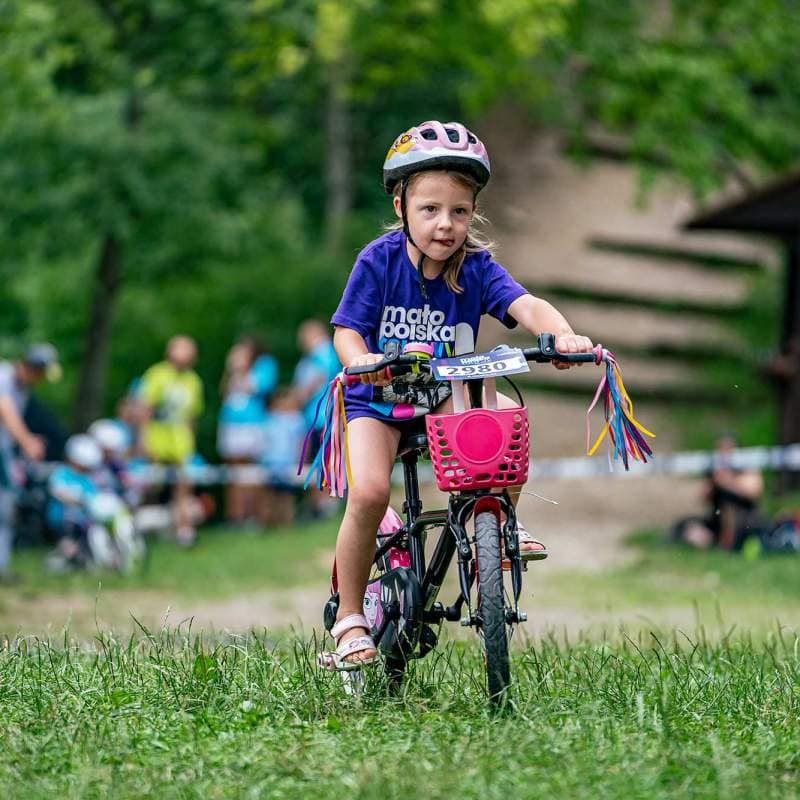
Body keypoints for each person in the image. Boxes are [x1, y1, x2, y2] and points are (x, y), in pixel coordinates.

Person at [317, 120, 594, 669]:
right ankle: (350, 618)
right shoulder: (378, 261)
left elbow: (526, 306)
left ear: (473, 214)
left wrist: (560, 332)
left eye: (459, 212)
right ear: (401, 206)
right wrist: (360, 361)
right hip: (379, 400)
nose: (446, 225)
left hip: (442, 399)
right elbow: (346, 330)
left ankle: (491, 532)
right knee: (370, 494)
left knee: (502, 412)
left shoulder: (477, 268)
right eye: (430, 210)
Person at [0, 344, 60, 581]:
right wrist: (27, 441)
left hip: (3, 453)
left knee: (6, 508)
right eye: (42, 375)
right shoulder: (3, 376)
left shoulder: (22, 389)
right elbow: (5, 411)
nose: (42, 380)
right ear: (34, 368)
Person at [139, 336, 204, 546]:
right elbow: (145, 408)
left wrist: (191, 440)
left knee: (184, 486)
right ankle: (138, 528)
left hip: (181, 442)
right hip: (157, 439)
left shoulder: (193, 381)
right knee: (148, 486)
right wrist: (143, 438)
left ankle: (184, 530)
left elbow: (193, 416)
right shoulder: (157, 374)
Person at [217, 336, 278, 525]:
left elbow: (256, 388)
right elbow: (224, 392)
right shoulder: (233, 373)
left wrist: (241, 369)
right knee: (233, 472)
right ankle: (235, 516)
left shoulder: (263, 367)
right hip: (231, 423)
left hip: (252, 423)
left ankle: (252, 515)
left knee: (251, 471)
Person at [292, 320, 341, 517]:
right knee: (315, 460)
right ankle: (319, 505)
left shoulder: (323, 353)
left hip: (322, 416)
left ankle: (326, 505)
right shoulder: (314, 357)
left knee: (322, 460)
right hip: (314, 416)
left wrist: (299, 397)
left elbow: (316, 381)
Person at [260, 389, 306, 527]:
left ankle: (287, 523)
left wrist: (300, 460)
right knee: (269, 495)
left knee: (286, 496)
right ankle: (268, 523)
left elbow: (301, 441)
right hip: (270, 462)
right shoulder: (270, 420)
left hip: (288, 463)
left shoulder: (297, 420)